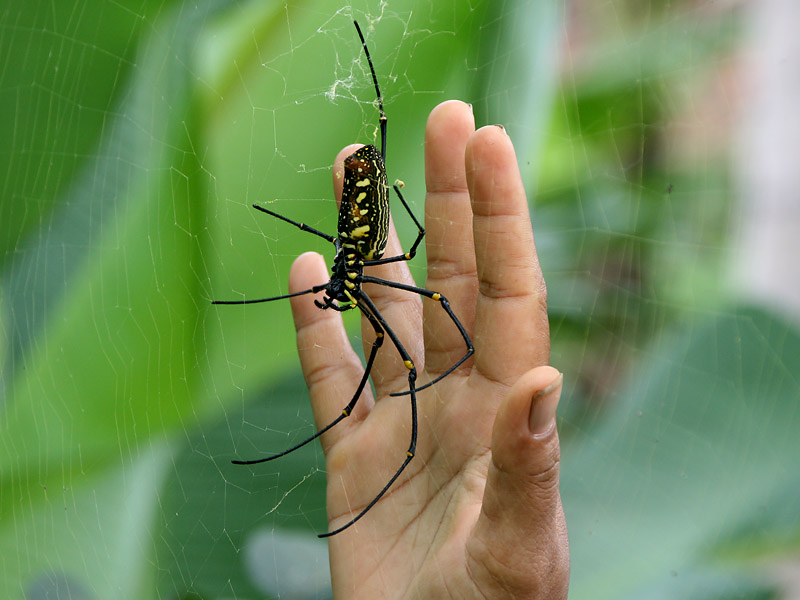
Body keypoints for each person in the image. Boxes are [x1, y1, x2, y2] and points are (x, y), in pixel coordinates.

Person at [287, 100, 569, 598]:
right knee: (395, 353)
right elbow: (409, 243)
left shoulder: (352, 276)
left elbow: (411, 245)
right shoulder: (351, 276)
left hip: (361, 230)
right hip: (361, 231)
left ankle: (380, 122)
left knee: (395, 353)